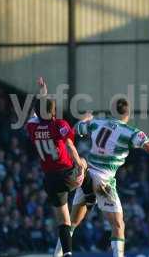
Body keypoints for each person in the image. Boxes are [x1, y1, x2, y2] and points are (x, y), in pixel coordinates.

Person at [54, 98, 149, 257]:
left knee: (72, 222)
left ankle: (57, 254)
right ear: (128, 113)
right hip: (103, 181)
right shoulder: (130, 132)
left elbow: (76, 128)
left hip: (87, 176)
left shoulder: (97, 124)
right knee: (118, 225)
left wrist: (85, 118)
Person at [25, 77, 89, 257]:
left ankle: (67, 253)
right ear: (54, 112)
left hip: (50, 179)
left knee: (63, 220)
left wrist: (42, 94)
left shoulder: (32, 128)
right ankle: (90, 195)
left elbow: (34, 115)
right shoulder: (59, 124)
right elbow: (69, 144)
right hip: (68, 175)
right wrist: (80, 166)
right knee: (85, 161)